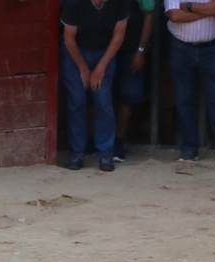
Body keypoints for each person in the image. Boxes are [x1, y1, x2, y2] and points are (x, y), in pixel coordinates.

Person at [61, 0, 127, 171]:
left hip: (104, 52)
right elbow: (68, 38)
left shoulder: (119, 3)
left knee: (103, 100)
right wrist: (83, 68)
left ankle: (105, 153)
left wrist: (101, 67)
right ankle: (77, 153)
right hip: (75, 53)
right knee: (77, 101)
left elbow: (119, 36)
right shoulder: (74, 3)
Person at [163, 0, 215, 162]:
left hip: (211, 48)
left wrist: (190, 7)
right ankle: (190, 149)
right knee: (184, 99)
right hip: (181, 48)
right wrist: (209, 10)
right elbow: (174, 15)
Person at [112, 0, 154, 161]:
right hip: (102, 45)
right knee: (99, 93)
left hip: (130, 47)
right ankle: (96, 141)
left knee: (127, 95)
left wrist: (141, 50)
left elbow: (150, 15)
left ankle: (118, 142)